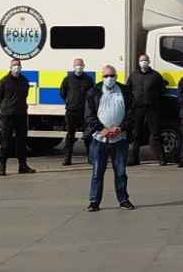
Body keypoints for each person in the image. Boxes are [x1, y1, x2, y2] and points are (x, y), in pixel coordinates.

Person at [85, 65, 135, 211]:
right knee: (97, 173)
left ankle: (123, 200)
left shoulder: (124, 91)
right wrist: (102, 129)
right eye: (106, 76)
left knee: (120, 172)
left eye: (112, 75)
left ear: (116, 76)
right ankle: (94, 202)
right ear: (102, 77)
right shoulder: (94, 92)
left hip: (120, 139)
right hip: (100, 139)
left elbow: (132, 113)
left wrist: (121, 128)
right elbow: (89, 115)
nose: (109, 78)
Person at [0, 59, 35, 176]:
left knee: (21, 142)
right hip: (8, 116)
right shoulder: (4, 81)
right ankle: (2, 167)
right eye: (14, 65)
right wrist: (5, 108)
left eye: (18, 65)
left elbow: (25, 95)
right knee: (6, 142)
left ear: (21, 67)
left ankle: (22, 166)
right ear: (10, 67)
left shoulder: (24, 81)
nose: (16, 67)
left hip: (21, 115)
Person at [127, 54, 167, 166]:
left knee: (156, 133)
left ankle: (162, 159)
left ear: (149, 62)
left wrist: (154, 98)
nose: (143, 62)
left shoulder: (155, 75)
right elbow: (128, 89)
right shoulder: (133, 75)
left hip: (152, 108)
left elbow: (162, 90)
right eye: (141, 60)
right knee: (136, 134)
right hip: (138, 108)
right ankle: (134, 159)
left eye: (145, 60)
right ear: (138, 62)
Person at [59, 58, 94, 166]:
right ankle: (67, 158)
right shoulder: (67, 79)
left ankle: (91, 157)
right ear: (73, 66)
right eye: (77, 65)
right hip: (71, 111)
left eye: (80, 65)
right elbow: (63, 93)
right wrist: (70, 102)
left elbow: (93, 94)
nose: (79, 67)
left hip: (85, 112)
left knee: (88, 136)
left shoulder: (88, 80)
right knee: (70, 136)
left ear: (84, 66)